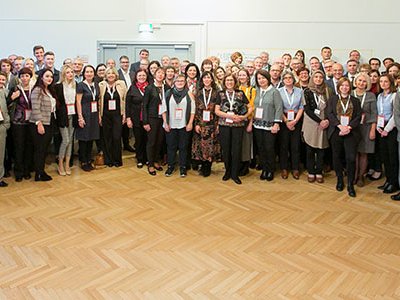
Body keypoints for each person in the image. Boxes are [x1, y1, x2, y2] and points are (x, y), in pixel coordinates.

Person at [327, 77, 362, 197]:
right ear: (338, 87)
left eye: (347, 85)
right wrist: (340, 126)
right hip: (336, 132)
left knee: (351, 158)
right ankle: (340, 180)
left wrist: (348, 128)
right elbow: (329, 114)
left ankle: (350, 184)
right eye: (342, 85)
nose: (344, 88)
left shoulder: (355, 101)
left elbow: (358, 116)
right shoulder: (332, 99)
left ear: (350, 87)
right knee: (336, 157)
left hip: (351, 133)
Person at [215, 74, 252, 184]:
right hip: (224, 125)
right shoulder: (220, 94)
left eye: (231, 80)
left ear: (235, 81)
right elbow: (217, 111)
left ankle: (235, 174)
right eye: (227, 80)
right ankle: (227, 172)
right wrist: (230, 116)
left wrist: (244, 117)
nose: (229, 82)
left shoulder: (240, 93)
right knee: (226, 149)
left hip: (238, 126)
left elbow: (250, 107)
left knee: (236, 150)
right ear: (224, 82)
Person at [249, 69, 282, 181]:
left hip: (270, 125)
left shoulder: (274, 91)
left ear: (267, 78)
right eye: (259, 78)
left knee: (269, 148)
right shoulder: (256, 91)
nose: (261, 80)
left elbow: (279, 108)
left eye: (263, 78)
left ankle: (270, 170)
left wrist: (276, 123)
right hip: (257, 124)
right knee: (261, 148)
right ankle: (264, 169)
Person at [162, 74, 195, 177]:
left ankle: (183, 167)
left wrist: (190, 123)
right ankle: (170, 166)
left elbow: (193, 111)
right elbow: (163, 109)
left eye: (182, 81)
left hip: (184, 125)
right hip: (171, 125)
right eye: (178, 81)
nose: (180, 82)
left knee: (183, 147)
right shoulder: (168, 93)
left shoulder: (189, 94)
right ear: (174, 82)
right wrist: (165, 123)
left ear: (185, 82)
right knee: (171, 147)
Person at [302, 70, 332, 183]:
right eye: (316, 77)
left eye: (320, 77)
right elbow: (307, 109)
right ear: (312, 78)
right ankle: (311, 171)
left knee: (321, 148)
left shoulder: (328, 91)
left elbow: (331, 108)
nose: (318, 79)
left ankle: (319, 171)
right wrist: (319, 121)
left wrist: (326, 121)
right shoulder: (307, 91)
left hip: (324, 123)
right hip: (311, 122)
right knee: (310, 149)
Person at [29, 69, 57, 181]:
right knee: (40, 149)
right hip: (39, 123)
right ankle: (39, 173)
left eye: (51, 76)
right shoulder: (37, 90)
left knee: (44, 149)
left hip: (49, 121)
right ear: (41, 77)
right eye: (47, 76)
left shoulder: (48, 90)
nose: (49, 78)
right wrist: (39, 123)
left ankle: (41, 171)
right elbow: (35, 108)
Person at [142, 67, 170, 175]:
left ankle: (156, 160)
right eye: (158, 73)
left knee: (159, 141)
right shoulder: (149, 88)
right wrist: (145, 122)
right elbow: (144, 106)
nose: (160, 75)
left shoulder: (166, 88)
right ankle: (150, 164)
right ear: (154, 74)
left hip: (162, 118)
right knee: (152, 141)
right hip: (152, 118)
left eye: (163, 73)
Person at [192, 71, 219, 177]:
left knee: (211, 145)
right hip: (201, 123)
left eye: (209, 77)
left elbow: (218, 109)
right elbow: (195, 110)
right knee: (200, 145)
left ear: (212, 79)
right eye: (205, 78)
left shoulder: (217, 93)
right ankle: (202, 165)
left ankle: (208, 166)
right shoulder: (198, 93)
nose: (207, 79)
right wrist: (196, 123)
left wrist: (217, 125)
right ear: (202, 80)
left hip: (212, 123)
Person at [352, 73, 377, 187]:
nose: (361, 83)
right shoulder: (350, 93)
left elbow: (374, 114)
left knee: (363, 153)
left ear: (367, 83)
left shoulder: (371, 96)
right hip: (352, 128)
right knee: (354, 152)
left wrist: (373, 129)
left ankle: (361, 176)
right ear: (355, 82)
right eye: (359, 80)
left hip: (366, 127)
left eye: (364, 81)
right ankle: (355, 174)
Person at [9, 68, 34, 181]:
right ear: (19, 78)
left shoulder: (34, 89)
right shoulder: (15, 88)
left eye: (27, 76)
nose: (24, 78)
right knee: (19, 147)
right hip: (18, 123)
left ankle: (26, 170)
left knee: (29, 147)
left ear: (30, 77)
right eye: (22, 76)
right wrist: (12, 97)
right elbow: (7, 102)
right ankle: (18, 172)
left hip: (31, 122)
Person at [278, 71, 304, 179]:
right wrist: (287, 121)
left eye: (290, 78)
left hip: (296, 119)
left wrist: (295, 121)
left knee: (295, 145)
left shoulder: (300, 91)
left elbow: (302, 107)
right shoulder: (278, 91)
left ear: (293, 79)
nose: (288, 80)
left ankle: (295, 168)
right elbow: (278, 108)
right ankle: (284, 168)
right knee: (283, 145)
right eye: (286, 78)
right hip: (284, 119)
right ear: (283, 80)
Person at [99, 68, 127, 167]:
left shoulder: (121, 84)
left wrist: (124, 114)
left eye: (113, 73)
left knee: (116, 137)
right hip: (105, 115)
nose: (111, 75)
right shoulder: (101, 85)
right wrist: (99, 116)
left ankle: (117, 160)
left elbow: (125, 100)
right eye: (108, 73)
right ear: (105, 75)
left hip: (117, 115)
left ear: (116, 75)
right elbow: (99, 102)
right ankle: (108, 160)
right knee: (107, 137)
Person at [376, 74, 399, 194]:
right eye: (381, 81)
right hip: (381, 129)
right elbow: (379, 113)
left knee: (392, 157)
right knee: (385, 156)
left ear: (391, 82)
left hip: (391, 129)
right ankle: (388, 180)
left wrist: (387, 129)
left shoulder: (394, 96)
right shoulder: (379, 96)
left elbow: (396, 115)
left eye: (386, 81)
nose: (383, 83)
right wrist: (379, 127)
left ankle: (394, 182)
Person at [75, 65, 100, 172]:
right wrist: (80, 117)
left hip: (94, 114)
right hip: (85, 113)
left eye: (91, 72)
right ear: (84, 73)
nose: (89, 73)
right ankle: (83, 160)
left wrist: (99, 115)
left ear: (94, 73)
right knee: (84, 138)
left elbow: (97, 100)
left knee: (91, 137)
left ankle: (89, 159)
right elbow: (78, 102)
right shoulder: (81, 85)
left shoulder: (96, 85)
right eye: (87, 72)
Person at [55, 64, 76, 176]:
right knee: (65, 140)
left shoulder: (75, 85)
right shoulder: (58, 86)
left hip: (73, 114)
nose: (70, 74)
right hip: (63, 115)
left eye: (72, 72)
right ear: (63, 74)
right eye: (68, 72)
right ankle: (60, 164)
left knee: (70, 141)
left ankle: (67, 164)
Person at [126, 69, 149, 168]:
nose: (141, 77)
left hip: (148, 119)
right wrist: (128, 118)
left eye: (143, 75)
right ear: (136, 77)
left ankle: (147, 158)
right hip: (136, 119)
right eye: (139, 75)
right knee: (138, 140)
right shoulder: (132, 88)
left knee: (147, 139)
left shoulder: (150, 87)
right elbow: (128, 105)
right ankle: (140, 159)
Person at [237, 68, 256, 176]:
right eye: (240, 75)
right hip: (235, 120)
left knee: (246, 144)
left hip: (247, 120)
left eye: (244, 75)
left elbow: (252, 108)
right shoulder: (235, 89)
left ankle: (245, 166)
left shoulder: (252, 90)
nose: (242, 77)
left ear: (248, 77)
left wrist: (250, 123)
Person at [117, 55, 135, 153]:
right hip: (121, 102)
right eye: (123, 62)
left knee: (128, 125)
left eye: (126, 62)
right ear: (120, 63)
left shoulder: (133, 73)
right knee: (120, 124)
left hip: (132, 102)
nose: (125, 64)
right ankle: (119, 145)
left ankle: (127, 144)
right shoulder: (117, 73)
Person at [0, 74, 10, 187]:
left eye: (3, 80)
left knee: (1, 153)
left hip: (1, 126)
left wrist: (6, 125)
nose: (1, 81)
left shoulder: (6, 92)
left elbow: (7, 109)